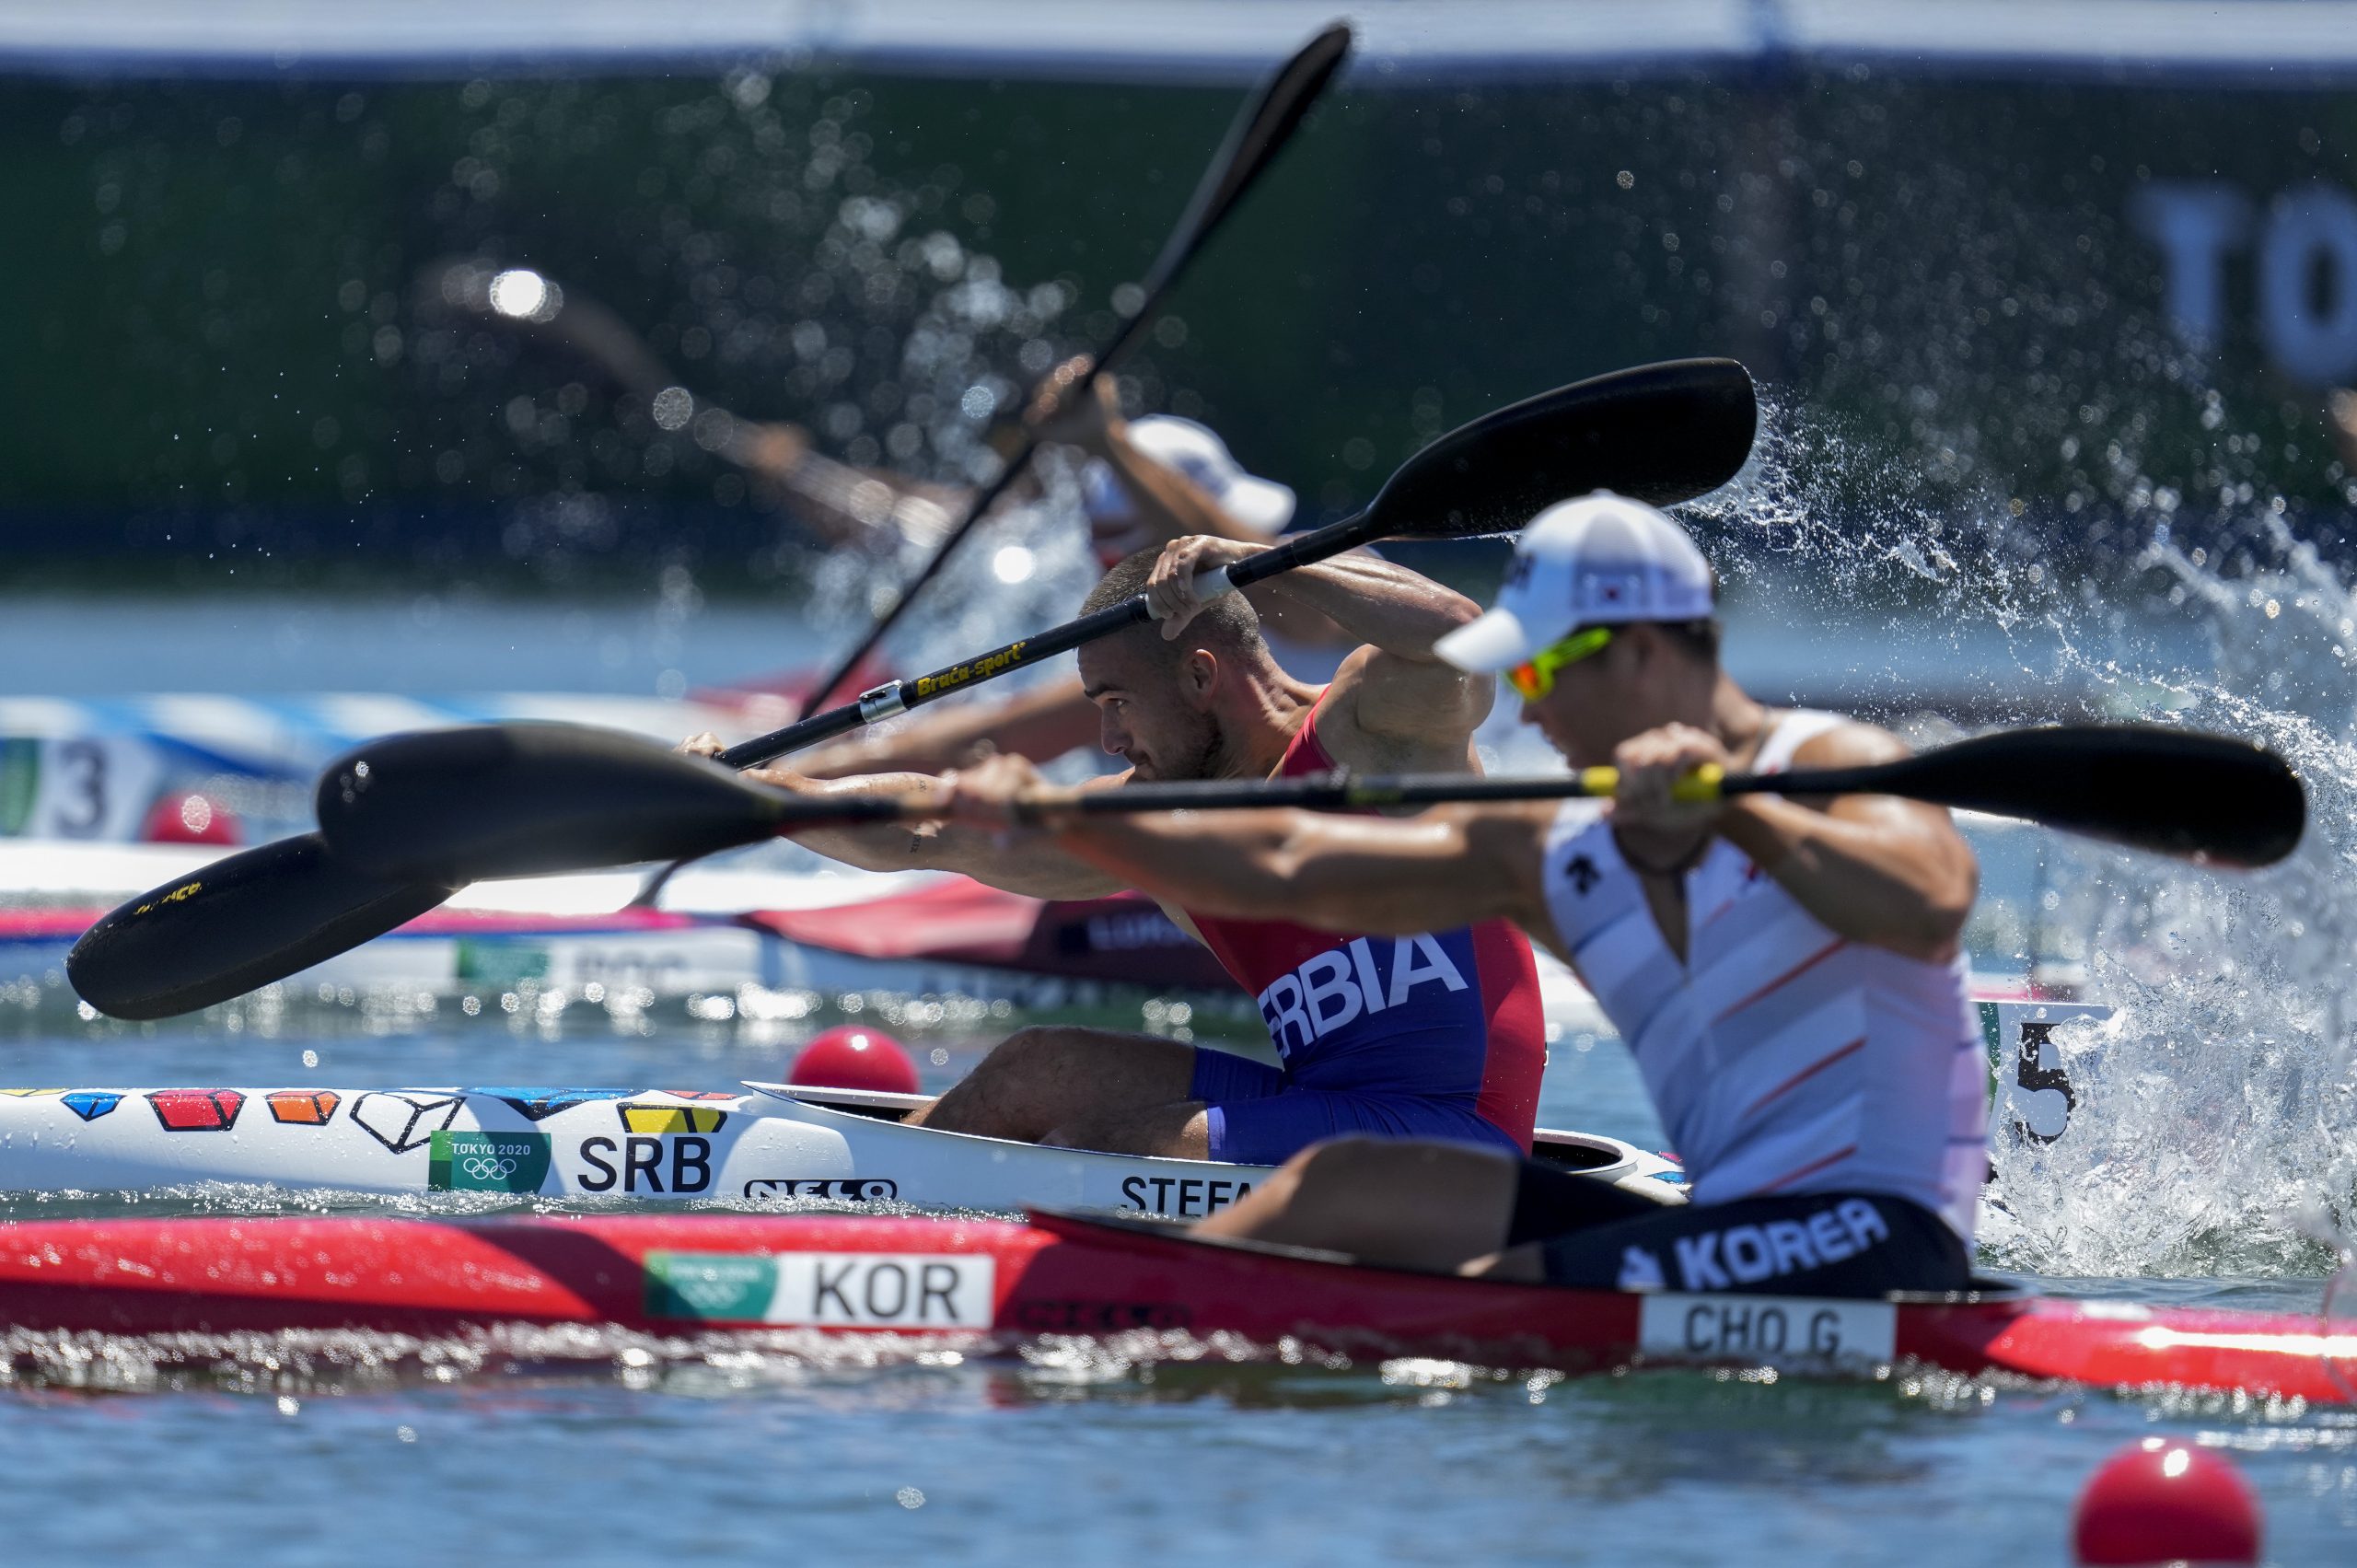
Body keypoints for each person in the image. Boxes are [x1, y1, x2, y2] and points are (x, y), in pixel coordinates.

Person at [939, 493, 1987, 1296]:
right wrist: (1064, 819)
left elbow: (1928, 904)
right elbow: (1294, 870)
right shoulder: (1558, 845)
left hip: (1875, 1233)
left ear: (1636, 652)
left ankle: (1155, 1331)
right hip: (1731, 1221)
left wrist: (1736, 812)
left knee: (1487, 1306)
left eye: (1540, 677)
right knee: (1339, 1186)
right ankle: (1106, 1332)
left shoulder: (1830, 757)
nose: (1530, 714)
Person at [702, 532, 1549, 1166]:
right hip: (1326, 1103)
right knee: (1038, 1068)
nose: (1107, 739)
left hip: (1456, 1129)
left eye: (1117, 702)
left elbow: (1465, 635)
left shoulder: (1372, 729)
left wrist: (1264, 559)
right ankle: (848, 1189)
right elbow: (928, 829)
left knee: (1108, 1143)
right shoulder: (1163, 823)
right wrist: (760, 800)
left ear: (1200, 677)